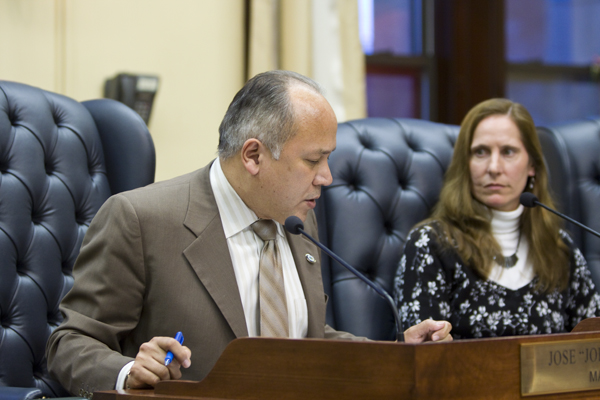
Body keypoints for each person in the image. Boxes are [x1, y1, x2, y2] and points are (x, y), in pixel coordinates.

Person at [46, 70, 452, 397]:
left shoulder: (297, 218)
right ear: (254, 155)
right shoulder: (140, 219)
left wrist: (397, 355)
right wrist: (128, 370)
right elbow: (70, 342)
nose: (327, 178)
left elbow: (304, 339)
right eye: (314, 161)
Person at [393, 98, 600, 339]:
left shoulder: (559, 247)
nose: (493, 167)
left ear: (532, 164)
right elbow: (417, 353)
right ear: (465, 164)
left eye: (508, 152)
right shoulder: (431, 243)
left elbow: (592, 344)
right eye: (480, 152)